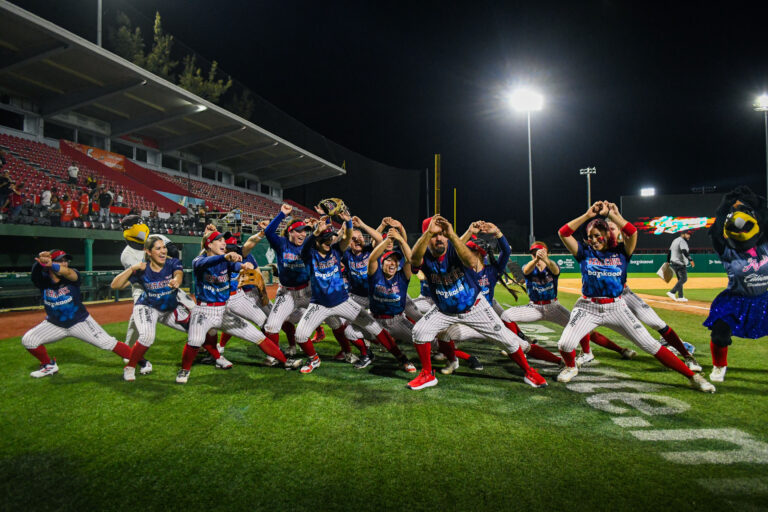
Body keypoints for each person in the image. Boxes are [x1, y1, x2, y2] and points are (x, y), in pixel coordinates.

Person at [555, 201, 714, 392]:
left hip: (616, 307)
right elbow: (563, 232)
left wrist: (611, 215)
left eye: (597, 235)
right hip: (588, 306)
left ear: (607, 234)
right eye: (590, 237)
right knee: (565, 343)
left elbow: (632, 232)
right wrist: (588, 215)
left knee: (650, 345)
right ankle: (571, 366)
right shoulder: (584, 253)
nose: (594, 240)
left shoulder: (622, 251)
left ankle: (693, 377)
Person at [408, 215, 547, 390]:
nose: (439, 238)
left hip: (474, 306)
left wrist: (452, 235)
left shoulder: (455, 247)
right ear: (427, 236)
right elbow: (414, 261)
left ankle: (529, 371)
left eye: (442, 234)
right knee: (419, 332)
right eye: (434, 235)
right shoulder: (423, 254)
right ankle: (427, 374)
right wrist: (428, 233)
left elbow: (471, 261)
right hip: (444, 310)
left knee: (508, 341)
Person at [291, 212, 415, 374]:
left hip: (343, 301)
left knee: (376, 328)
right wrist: (315, 233)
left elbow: (348, 237)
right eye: (325, 239)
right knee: (300, 335)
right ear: (317, 242)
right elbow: (305, 249)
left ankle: (401, 358)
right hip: (319, 304)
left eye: (330, 238)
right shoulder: (310, 255)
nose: (329, 241)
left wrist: (349, 222)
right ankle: (314, 359)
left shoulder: (336, 251)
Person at [176, 230, 300, 383]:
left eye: (224, 240)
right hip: (203, 311)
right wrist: (225, 257)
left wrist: (244, 265)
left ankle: (284, 361)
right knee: (195, 340)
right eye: (219, 240)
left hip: (223, 311)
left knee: (257, 336)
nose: (223, 243)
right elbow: (204, 263)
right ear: (209, 244)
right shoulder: (199, 260)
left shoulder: (226, 260)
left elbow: (237, 267)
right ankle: (184, 370)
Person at [438, 221, 559, 375]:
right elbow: (452, 251)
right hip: (466, 320)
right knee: (444, 335)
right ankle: (453, 360)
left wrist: (498, 233)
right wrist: (468, 232)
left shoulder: (491, 271)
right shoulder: (462, 270)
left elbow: (506, 251)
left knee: (522, 345)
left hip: (487, 320)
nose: (463, 254)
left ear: (479, 254)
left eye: (468, 251)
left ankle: (559, 362)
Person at [111, 235, 231, 381]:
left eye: (164, 247)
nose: (163, 251)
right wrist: (133, 268)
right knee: (147, 337)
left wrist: (177, 280)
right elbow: (115, 285)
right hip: (148, 306)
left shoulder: (172, 262)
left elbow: (178, 273)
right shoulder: (142, 269)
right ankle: (130, 367)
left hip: (169, 308)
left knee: (200, 329)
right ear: (148, 252)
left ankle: (217, 357)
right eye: (158, 248)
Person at [501, 240, 637, 367]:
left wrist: (545, 260)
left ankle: (606, 351)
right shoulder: (529, 266)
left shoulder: (552, 265)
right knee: (507, 315)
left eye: (541, 252)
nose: (537, 255)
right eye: (533, 253)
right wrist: (537, 259)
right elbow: (525, 271)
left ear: (547, 253)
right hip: (534, 307)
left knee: (585, 329)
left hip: (553, 307)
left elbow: (555, 270)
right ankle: (516, 346)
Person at [606, 220, 701, 371]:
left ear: (619, 232)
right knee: (633, 335)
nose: (609, 232)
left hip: (624, 294)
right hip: (604, 301)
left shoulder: (623, 249)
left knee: (657, 323)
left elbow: (631, 233)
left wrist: (614, 214)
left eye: (613, 228)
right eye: (607, 229)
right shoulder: (593, 248)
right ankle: (585, 352)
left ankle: (687, 355)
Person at [21, 250, 133, 378]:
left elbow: (69, 273)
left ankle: (141, 361)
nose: (64, 263)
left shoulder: (72, 275)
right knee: (29, 340)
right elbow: (34, 276)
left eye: (66, 260)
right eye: (60, 260)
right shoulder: (43, 280)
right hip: (55, 324)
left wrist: (52, 265)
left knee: (107, 343)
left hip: (79, 322)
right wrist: (40, 263)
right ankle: (49, 365)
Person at [704, 186, 768, 383]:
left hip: (764, 298)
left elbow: (766, 214)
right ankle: (719, 366)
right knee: (720, 333)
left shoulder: (764, 245)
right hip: (736, 299)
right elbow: (716, 232)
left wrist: (754, 200)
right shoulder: (728, 252)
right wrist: (725, 205)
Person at [667, 230, 694, 302]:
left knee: (680, 280)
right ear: (683, 234)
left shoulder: (675, 240)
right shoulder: (682, 241)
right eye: (688, 234)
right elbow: (684, 251)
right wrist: (691, 260)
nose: (689, 236)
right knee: (684, 279)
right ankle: (672, 292)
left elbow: (669, 251)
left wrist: (667, 261)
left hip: (674, 263)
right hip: (680, 263)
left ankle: (680, 296)